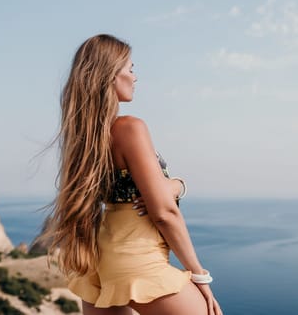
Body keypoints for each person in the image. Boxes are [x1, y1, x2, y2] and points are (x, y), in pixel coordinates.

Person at [44, 34, 222, 315]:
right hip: (138, 260)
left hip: (100, 258)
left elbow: (147, 192)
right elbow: (164, 213)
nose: (135, 77)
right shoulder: (130, 128)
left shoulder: (86, 138)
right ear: (110, 76)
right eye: (130, 69)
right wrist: (199, 275)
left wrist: (175, 185)